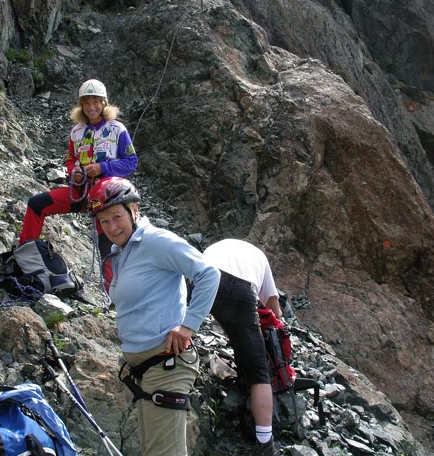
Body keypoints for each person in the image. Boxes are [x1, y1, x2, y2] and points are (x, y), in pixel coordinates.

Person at [87, 177, 220, 456]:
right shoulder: (122, 252)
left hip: (166, 366)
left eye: (116, 216)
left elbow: (208, 273)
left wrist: (188, 326)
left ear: (134, 210)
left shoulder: (156, 241)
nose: (111, 227)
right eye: (104, 221)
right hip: (145, 369)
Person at [18, 79, 138, 263]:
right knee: (37, 204)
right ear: (81, 106)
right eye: (87, 103)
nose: (92, 107)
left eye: (96, 102)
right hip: (81, 191)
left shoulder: (117, 129)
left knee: (107, 247)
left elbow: (130, 162)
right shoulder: (77, 131)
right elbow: (70, 159)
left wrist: (102, 167)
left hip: (108, 197)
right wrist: (74, 171)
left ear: (104, 103)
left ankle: (112, 288)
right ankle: (23, 258)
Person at [202, 238, 282, 456]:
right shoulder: (260, 258)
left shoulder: (217, 247)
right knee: (259, 374)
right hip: (239, 288)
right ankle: (265, 443)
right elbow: (273, 307)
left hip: (203, 276)